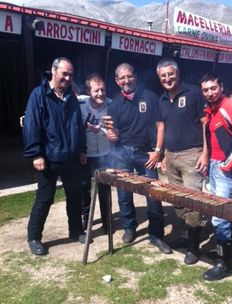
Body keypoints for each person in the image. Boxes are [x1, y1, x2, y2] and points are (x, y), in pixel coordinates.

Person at [23, 57, 86, 256]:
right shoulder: (39, 94)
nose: (67, 78)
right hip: (48, 158)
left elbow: (78, 124)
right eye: (64, 73)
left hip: (71, 157)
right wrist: (36, 154)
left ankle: (75, 231)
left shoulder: (71, 96)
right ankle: (34, 237)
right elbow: (31, 124)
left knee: (74, 196)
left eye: (70, 75)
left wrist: (82, 149)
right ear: (53, 71)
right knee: (44, 198)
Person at [105, 62, 172, 254]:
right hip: (122, 153)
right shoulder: (114, 105)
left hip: (146, 154)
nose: (126, 80)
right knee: (124, 194)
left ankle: (156, 235)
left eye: (129, 76)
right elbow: (113, 132)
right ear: (117, 81)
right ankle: (129, 228)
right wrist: (111, 134)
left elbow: (160, 125)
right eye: (122, 78)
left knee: (153, 193)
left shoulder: (150, 97)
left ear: (135, 77)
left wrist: (158, 151)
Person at [200, 72, 232, 281]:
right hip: (214, 165)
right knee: (220, 212)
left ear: (221, 86)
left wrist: (225, 167)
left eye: (213, 88)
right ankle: (231, 253)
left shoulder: (231, 106)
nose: (210, 93)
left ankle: (224, 264)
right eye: (205, 90)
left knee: (218, 217)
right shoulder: (211, 109)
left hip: (224, 168)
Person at [156, 58, 207, 265]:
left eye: (170, 74)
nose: (167, 79)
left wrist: (205, 153)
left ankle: (193, 247)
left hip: (192, 154)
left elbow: (205, 124)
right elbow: (164, 128)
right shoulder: (161, 100)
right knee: (177, 200)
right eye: (163, 76)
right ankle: (187, 235)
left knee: (193, 200)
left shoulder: (194, 93)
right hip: (172, 155)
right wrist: (164, 155)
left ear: (178, 73)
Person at [78, 74, 112, 242]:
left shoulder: (112, 105)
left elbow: (116, 131)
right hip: (86, 153)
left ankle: (107, 221)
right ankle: (85, 219)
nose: (100, 93)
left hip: (105, 153)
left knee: (104, 189)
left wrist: (102, 130)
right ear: (88, 91)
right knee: (84, 187)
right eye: (96, 90)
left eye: (102, 89)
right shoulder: (80, 104)